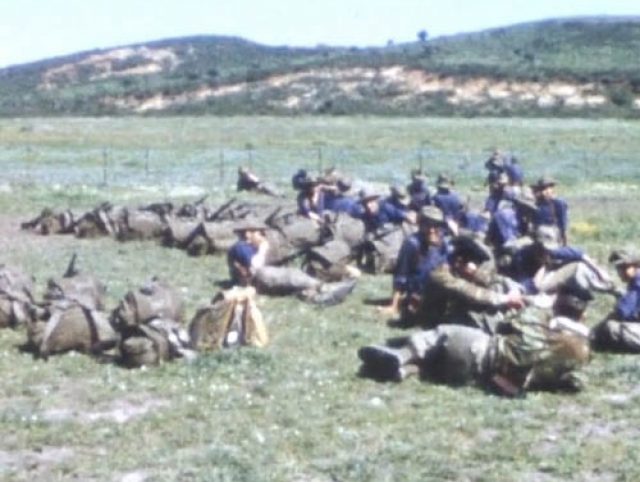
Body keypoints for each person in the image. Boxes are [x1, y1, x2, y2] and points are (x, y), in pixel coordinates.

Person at [358, 285, 592, 395]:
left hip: (482, 352)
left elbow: (511, 323)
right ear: (582, 315)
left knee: (440, 333)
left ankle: (400, 356)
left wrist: (537, 306)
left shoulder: (542, 321)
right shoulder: (581, 351)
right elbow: (576, 383)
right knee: (434, 368)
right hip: (485, 380)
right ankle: (405, 371)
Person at [227, 219, 356, 305]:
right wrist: (263, 248)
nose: (263, 235)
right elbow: (256, 267)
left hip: (259, 281)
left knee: (292, 276)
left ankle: (314, 296)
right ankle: (325, 288)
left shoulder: (247, 246)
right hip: (253, 280)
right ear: (248, 233)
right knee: (288, 274)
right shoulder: (240, 246)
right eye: (259, 232)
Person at [413, 234, 525, 332]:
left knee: (497, 286)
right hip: (433, 321)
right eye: (473, 265)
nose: (475, 269)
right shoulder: (441, 274)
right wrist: (506, 299)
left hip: (450, 315)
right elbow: (469, 291)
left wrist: (514, 290)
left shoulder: (458, 269)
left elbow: (496, 279)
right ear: (459, 262)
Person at [378, 206, 449, 317]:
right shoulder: (412, 244)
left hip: (439, 288)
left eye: (435, 225)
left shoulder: (442, 243)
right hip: (418, 290)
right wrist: (394, 306)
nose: (431, 230)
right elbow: (401, 275)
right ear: (420, 224)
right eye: (427, 225)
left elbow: (446, 265)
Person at [591, 249, 640, 352]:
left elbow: (622, 312)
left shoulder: (637, 282)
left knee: (610, 327)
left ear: (635, 265)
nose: (620, 272)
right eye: (619, 268)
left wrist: (598, 328)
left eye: (624, 267)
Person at [531, 176, 569, 246]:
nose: (544, 192)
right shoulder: (537, 204)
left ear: (552, 189)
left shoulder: (558, 203)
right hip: (539, 237)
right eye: (542, 189)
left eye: (547, 189)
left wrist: (565, 244)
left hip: (553, 237)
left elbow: (563, 226)